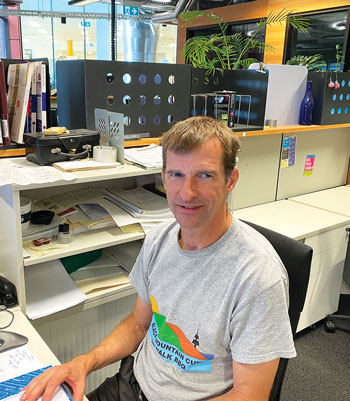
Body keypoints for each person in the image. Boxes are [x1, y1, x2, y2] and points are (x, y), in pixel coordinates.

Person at [22, 116, 296, 401]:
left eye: (205, 175)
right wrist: (83, 363)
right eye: (176, 174)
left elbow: (249, 395)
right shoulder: (158, 240)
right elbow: (139, 324)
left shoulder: (258, 276)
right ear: (163, 176)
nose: (187, 192)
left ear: (231, 180)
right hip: (133, 384)